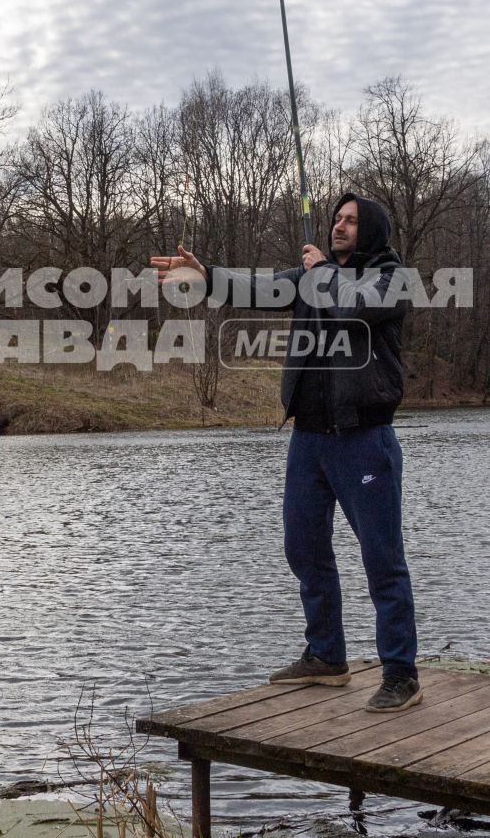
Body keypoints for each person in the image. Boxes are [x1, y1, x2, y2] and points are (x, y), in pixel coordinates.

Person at [151, 193, 421, 712]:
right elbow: (258, 288)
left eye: (351, 221)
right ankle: (326, 657)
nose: (339, 226)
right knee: (303, 549)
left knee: (382, 561)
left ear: (371, 231)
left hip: (365, 439)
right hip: (309, 440)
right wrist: (205, 275)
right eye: (337, 219)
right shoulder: (310, 275)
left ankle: (402, 674)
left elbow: (351, 309)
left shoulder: (392, 278)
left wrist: (322, 274)